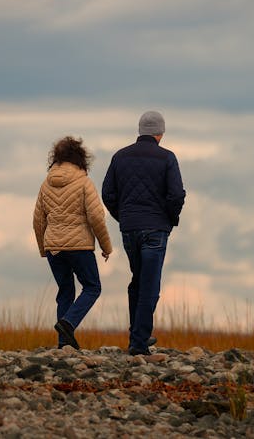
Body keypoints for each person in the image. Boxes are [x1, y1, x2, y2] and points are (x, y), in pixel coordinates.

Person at [102, 111, 185, 355]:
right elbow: (177, 195)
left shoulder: (120, 156)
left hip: (129, 228)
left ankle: (138, 333)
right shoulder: (167, 158)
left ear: (140, 131)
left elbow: (108, 194)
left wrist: (124, 216)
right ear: (160, 133)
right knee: (149, 285)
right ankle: (139, 342)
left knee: (138, 281)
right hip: (156, 229)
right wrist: (169, 218)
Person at [33, 136, 113, 349]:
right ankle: (68, 324)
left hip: (54, 248)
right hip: (80, 247)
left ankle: (63, 344)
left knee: (65, 292)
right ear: (80, 158)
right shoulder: (84, 182)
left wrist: (44, 249)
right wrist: (106, 247)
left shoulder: (45, 184)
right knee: (92, 287)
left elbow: (37, 220)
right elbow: (96, 217)